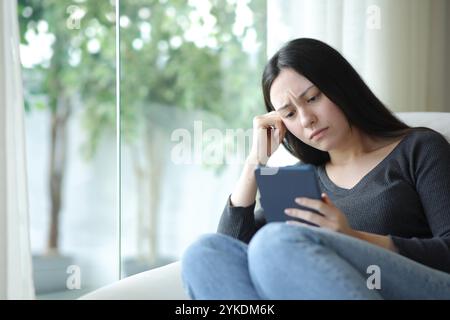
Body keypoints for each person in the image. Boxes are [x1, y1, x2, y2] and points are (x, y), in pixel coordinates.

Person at [180, 38, 450, 299]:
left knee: (272, 242)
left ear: (341, 86)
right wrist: (254, 162)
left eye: (312, 98)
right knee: (203, 253)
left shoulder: (419, 148)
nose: (307, 119)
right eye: (289, 114)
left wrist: (351, 237)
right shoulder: (303, 180)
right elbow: (231, 249)